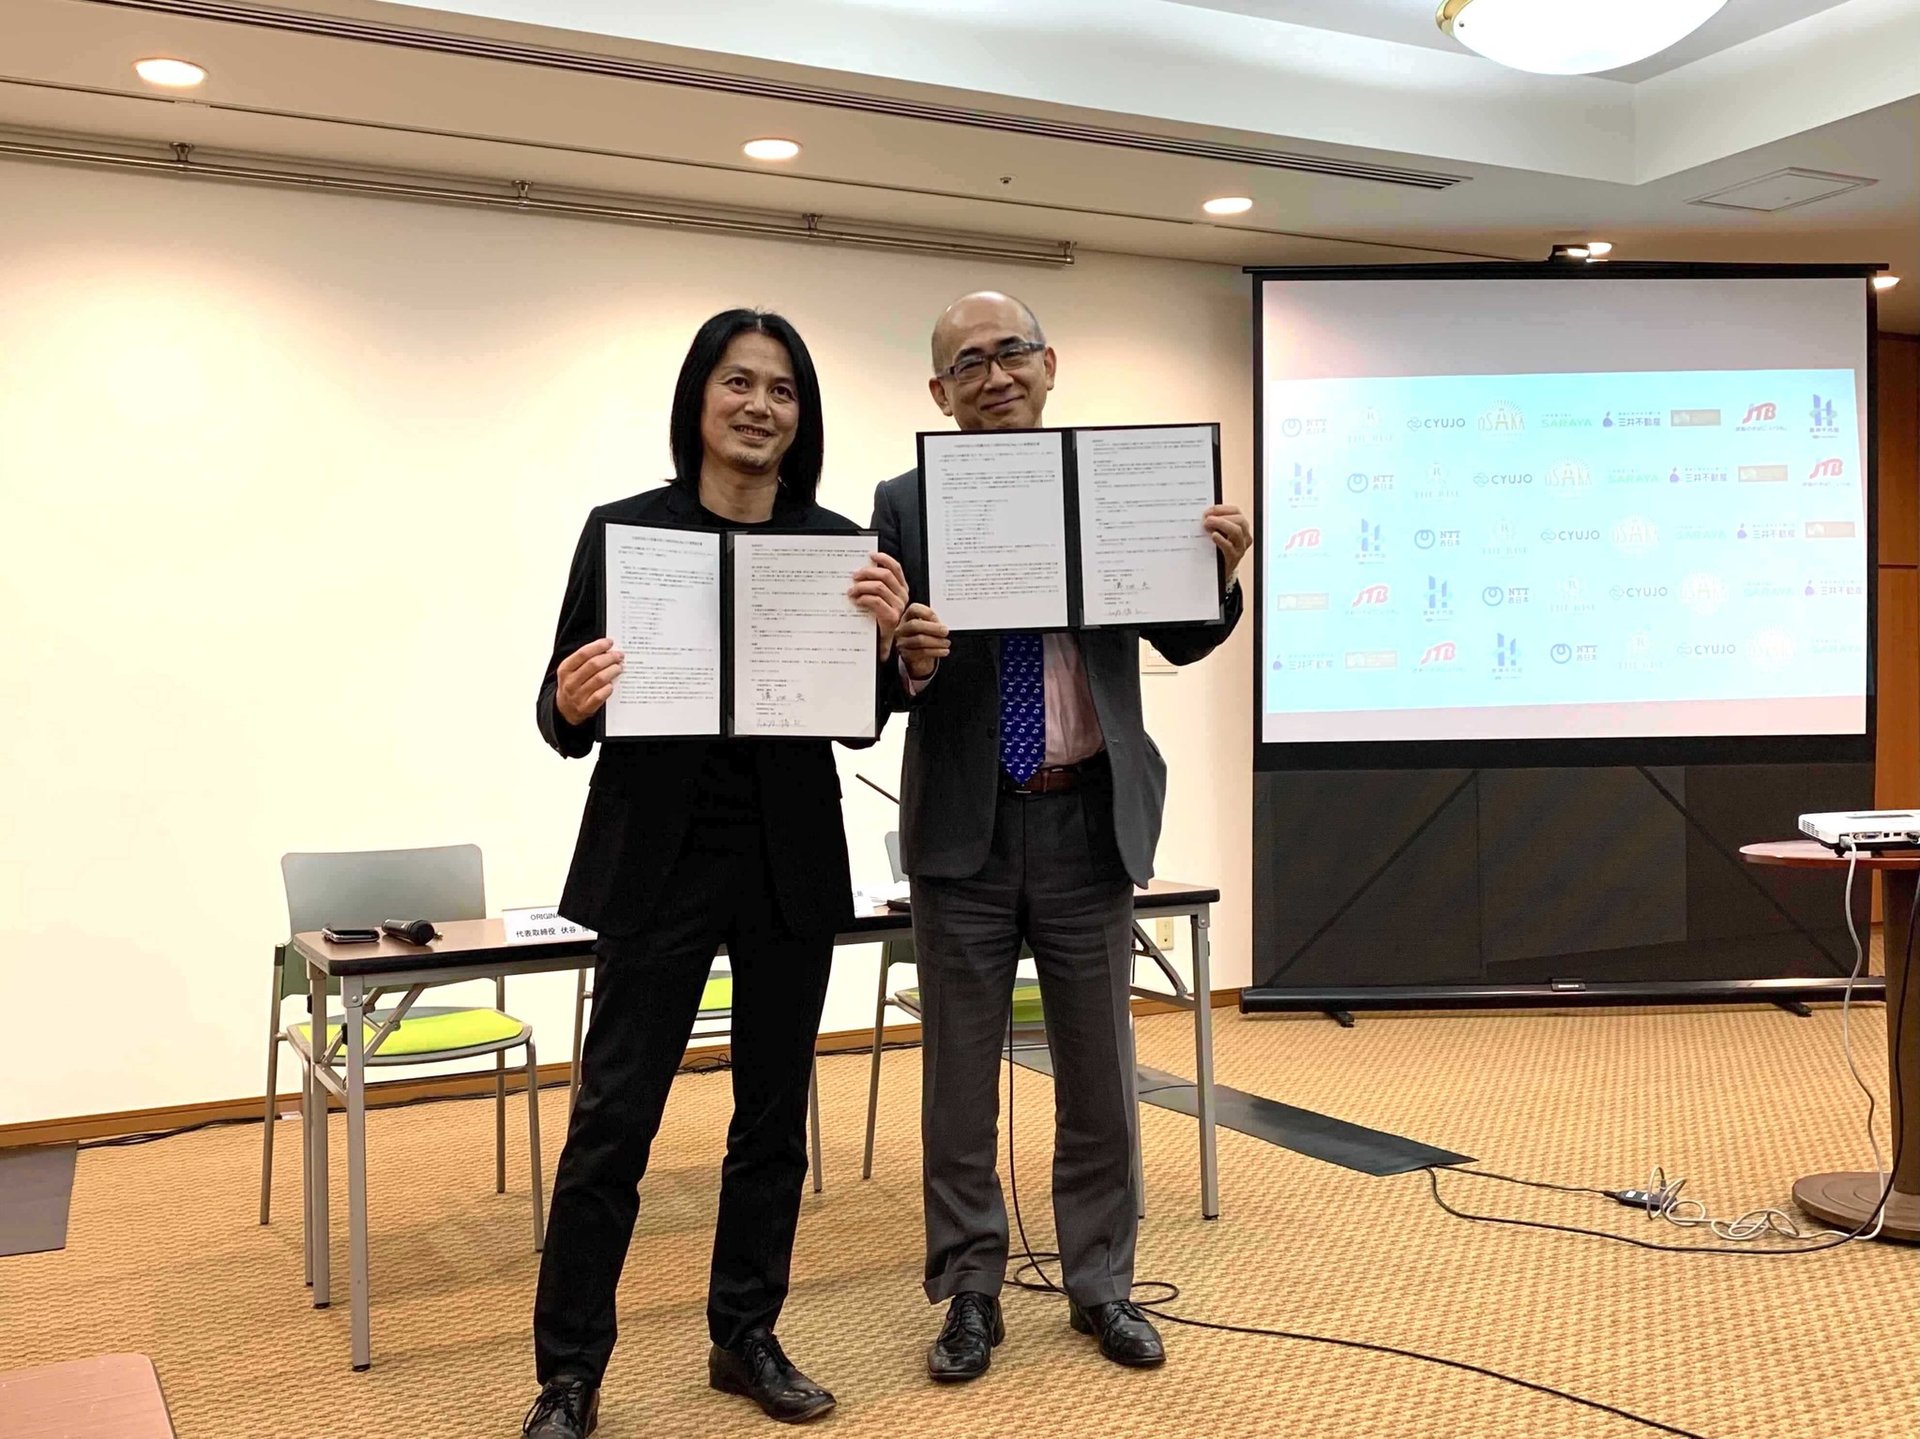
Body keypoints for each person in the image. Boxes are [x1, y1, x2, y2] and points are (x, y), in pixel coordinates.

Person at [521, 309, 910, 1438]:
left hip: (789, 857)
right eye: (739, 382)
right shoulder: (624, 533)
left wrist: (887, 651)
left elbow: (859, 721)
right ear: (699, 398)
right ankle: (569, 1371)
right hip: (657, 860)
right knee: (613, 1121)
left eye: (782, 390)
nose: (759, 406)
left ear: (803, 417)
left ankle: (745, 1334)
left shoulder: (836, 546)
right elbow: (559, 710)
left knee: (772, 1122)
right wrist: (568, 702)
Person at [872, 292, 1250, 1381]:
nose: (995, 376)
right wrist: (904, 655)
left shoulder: (1119, 485)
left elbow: (1180, 633)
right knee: (958, 1078)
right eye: (969, 363)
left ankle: (1101, 1283)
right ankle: (969, 1291)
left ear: (1051, 364)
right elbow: (880, 675)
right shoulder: (906, 503)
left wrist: (1218, 570)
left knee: (1099, 1072)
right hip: (967, 825)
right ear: (939, 392)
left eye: (1012, 354)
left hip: (1090, 813)